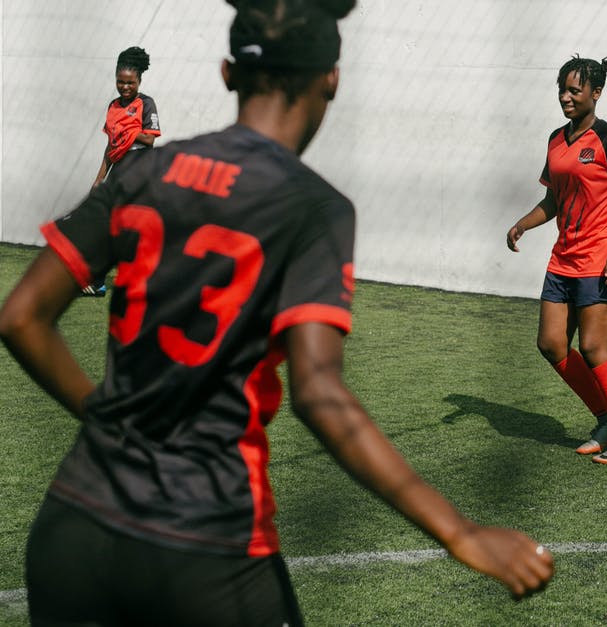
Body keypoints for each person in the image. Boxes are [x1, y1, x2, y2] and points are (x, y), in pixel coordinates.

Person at [0, 1, 553, 624]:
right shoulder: (313, 209)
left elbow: (20, 316)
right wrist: (459, 531)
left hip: (75, 528)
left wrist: (100, 413)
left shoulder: (146, 173)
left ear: (228, 73)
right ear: (331, 80)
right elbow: (318, 395)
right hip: (206, 544)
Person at [506, 55, 607, 465]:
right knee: (551, 345)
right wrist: (523, 223)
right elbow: (553, 199)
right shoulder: (556, 139)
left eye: (575, 90)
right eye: (562, 90)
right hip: (563, 260)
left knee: (593, 347)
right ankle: (605, 421)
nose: (566, 98)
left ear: (596, 93)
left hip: (602, 258)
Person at [83, 45, 162, 297]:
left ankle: (150, 284)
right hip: (118, 169)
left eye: (130, 82)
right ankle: (98, 282)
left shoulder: (146, 104)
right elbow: (111, 145)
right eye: (120, 82)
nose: (125, 87)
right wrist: (99, 178)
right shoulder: (113, 106)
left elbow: (150, 140)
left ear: (139, 80)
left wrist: (129, 131)